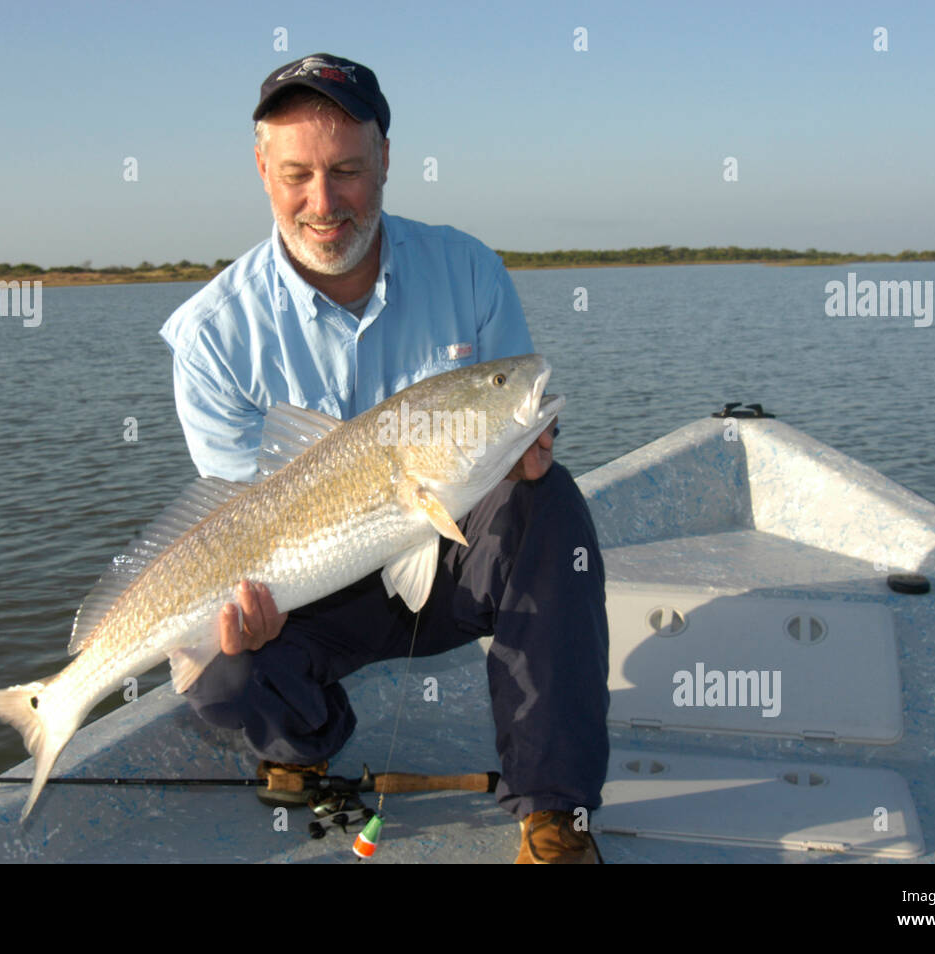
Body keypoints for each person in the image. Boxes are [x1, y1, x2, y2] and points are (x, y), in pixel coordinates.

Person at [159, 53, 609, 863]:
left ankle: (554, 815)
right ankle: (306, 745)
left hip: (449, 557)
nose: (323, 202)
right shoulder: (211, 336)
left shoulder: (466, 268)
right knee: (217, 669)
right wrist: (244, 612)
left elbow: (517, 427)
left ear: (387, 161)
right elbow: (232, 515)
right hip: (306, 588)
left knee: (551, 507)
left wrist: (527, 450)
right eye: (297, 173)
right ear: (262, 168)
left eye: (348, 171)